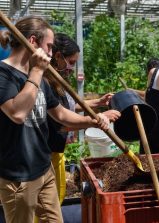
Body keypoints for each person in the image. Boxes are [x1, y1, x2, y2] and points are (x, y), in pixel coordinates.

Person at [0, 16, 111, 223]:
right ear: (33, 42)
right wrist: (37, 71)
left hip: (44, 168)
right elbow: (17, 113)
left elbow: (60, 113)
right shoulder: (4, 74)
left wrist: (93, 120)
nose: (51, 55)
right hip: (19, 177)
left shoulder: (38, 76)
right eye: (49, 47)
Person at [44, 33, 120, 205]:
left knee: (57, 196)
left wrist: (97, 103)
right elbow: (62, 120)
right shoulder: (47, 83)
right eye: (70, 62)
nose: (71, 68)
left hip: (57, 151)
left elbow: (69, 107)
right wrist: (96, 120)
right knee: (48, 202)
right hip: (47, 152)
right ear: (57, 57)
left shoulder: (58, 80)